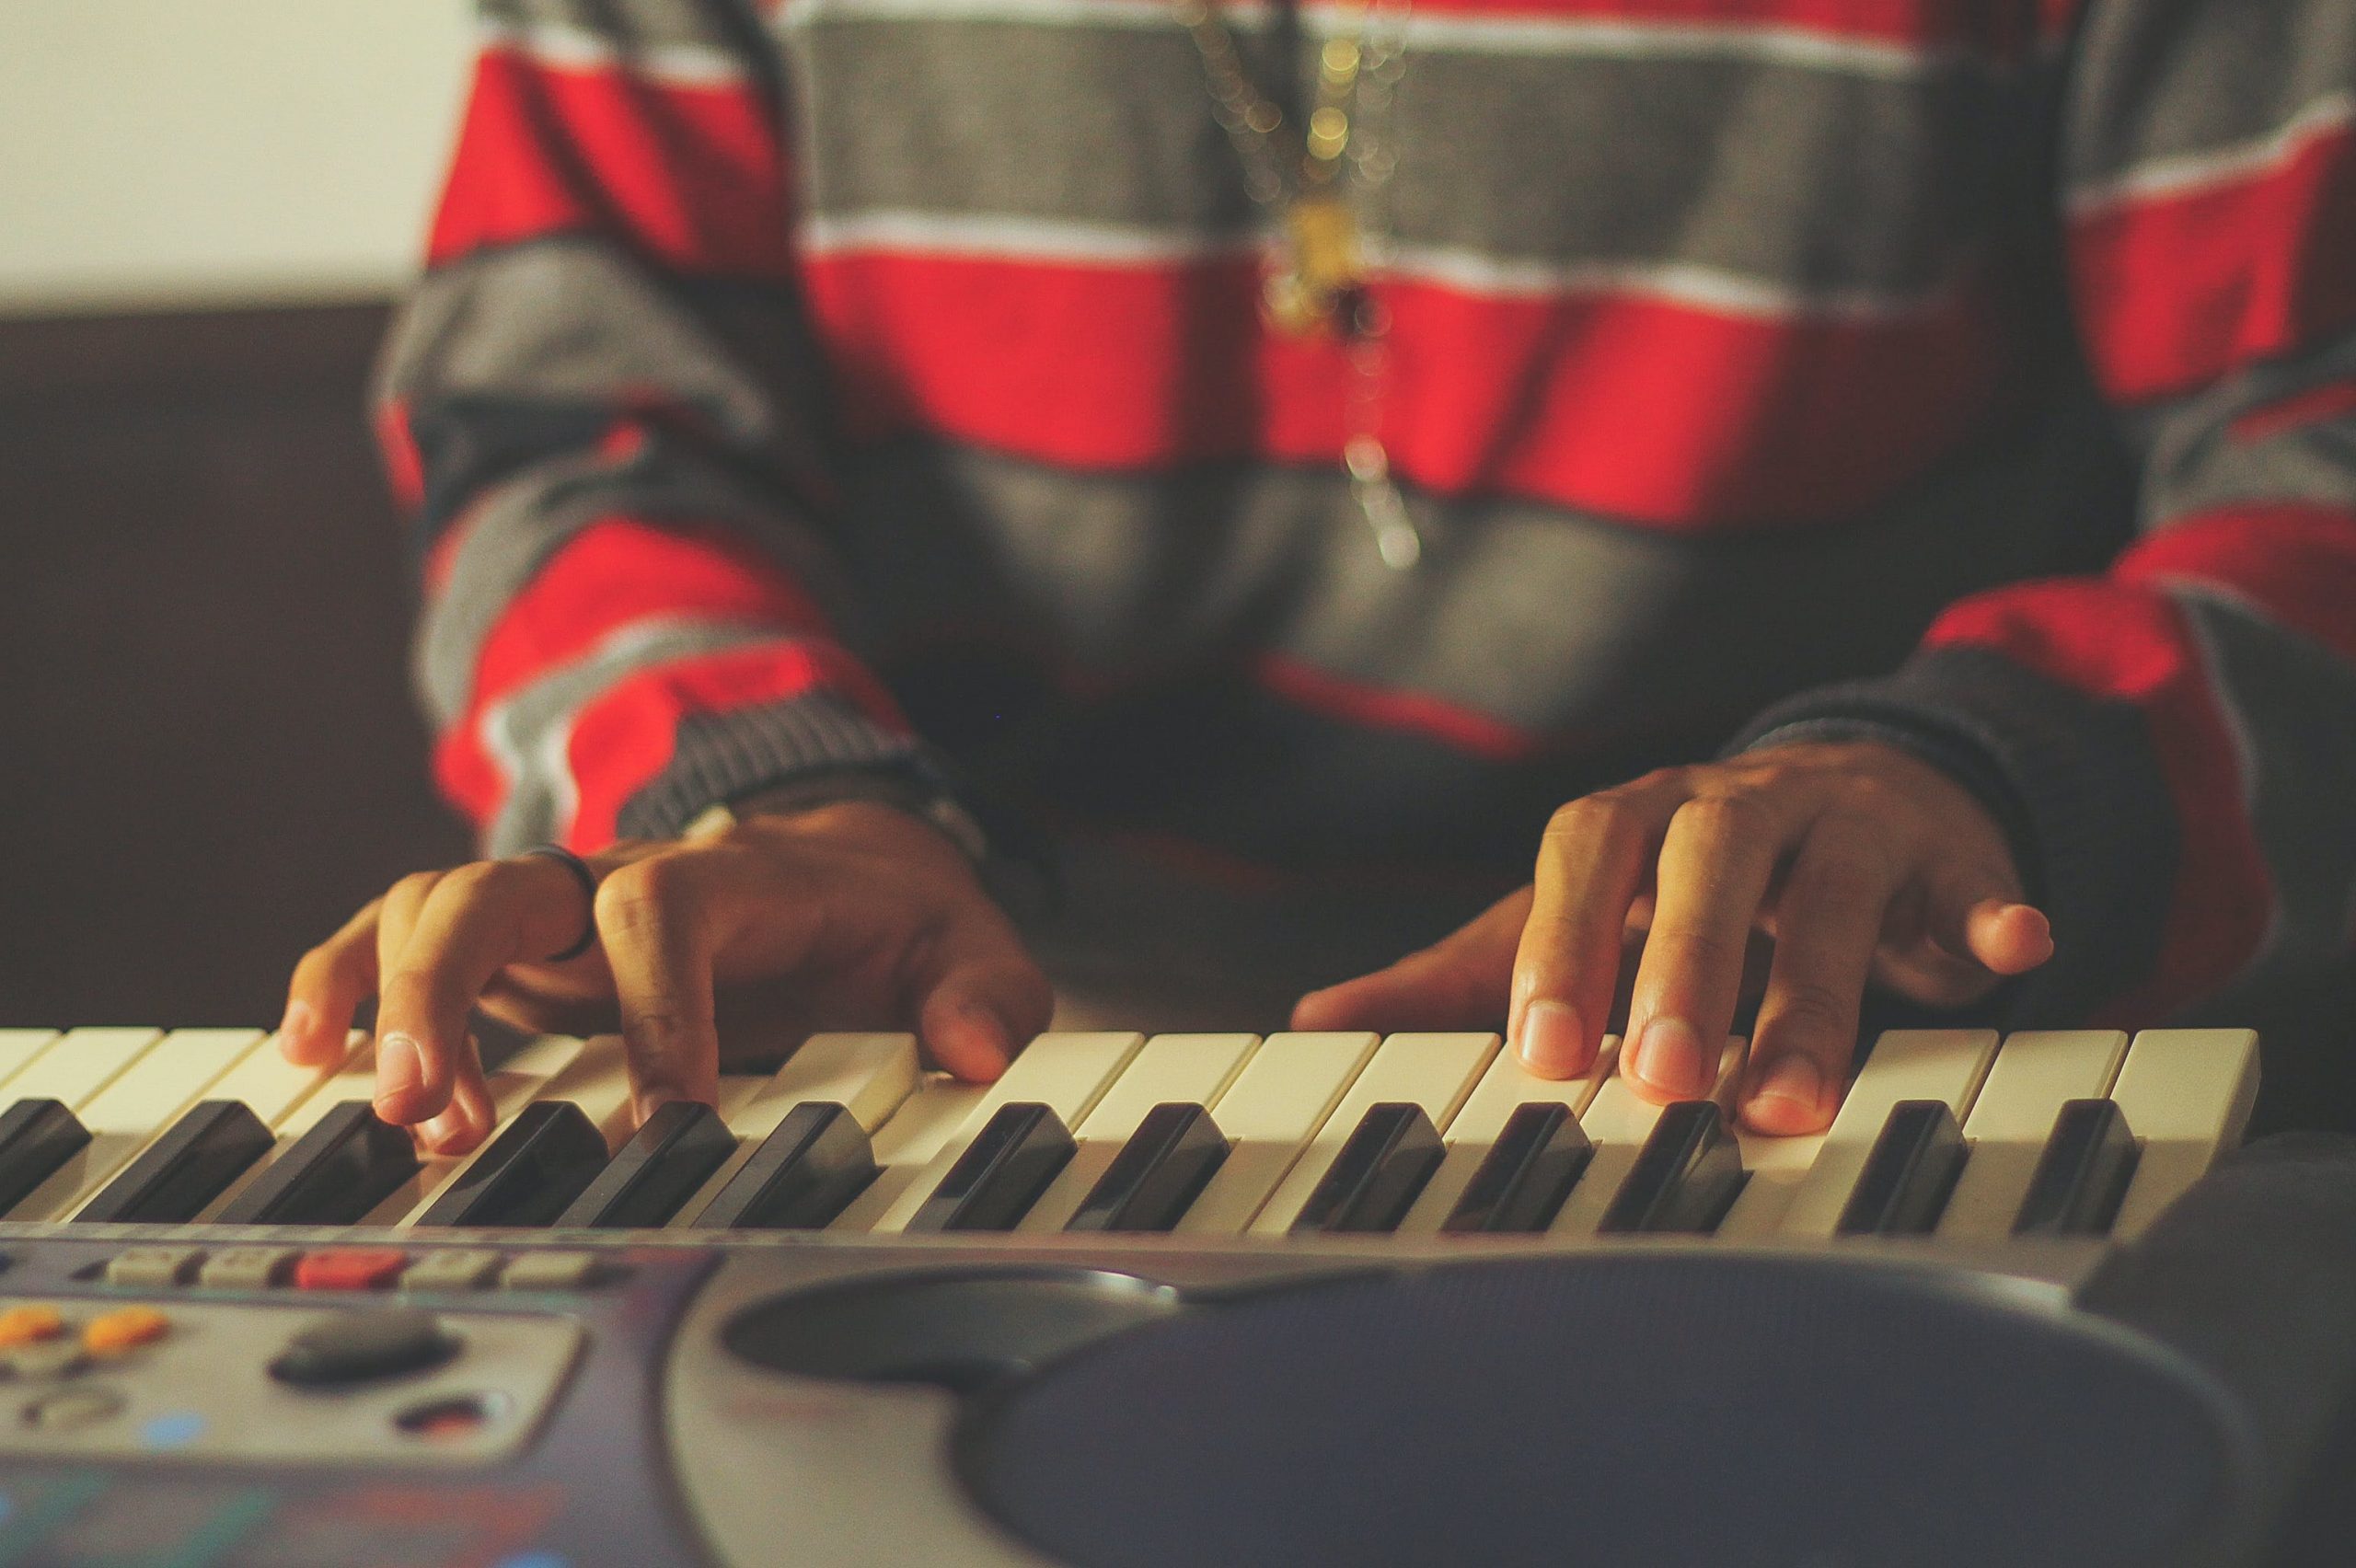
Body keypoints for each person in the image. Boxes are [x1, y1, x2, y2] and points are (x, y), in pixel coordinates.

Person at [281, 0, 2356, 1158]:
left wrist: (1982, 772)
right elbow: (564, 422)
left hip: (1885, 1074)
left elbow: (2317, 442)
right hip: (957, 1086)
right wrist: (763, 786)